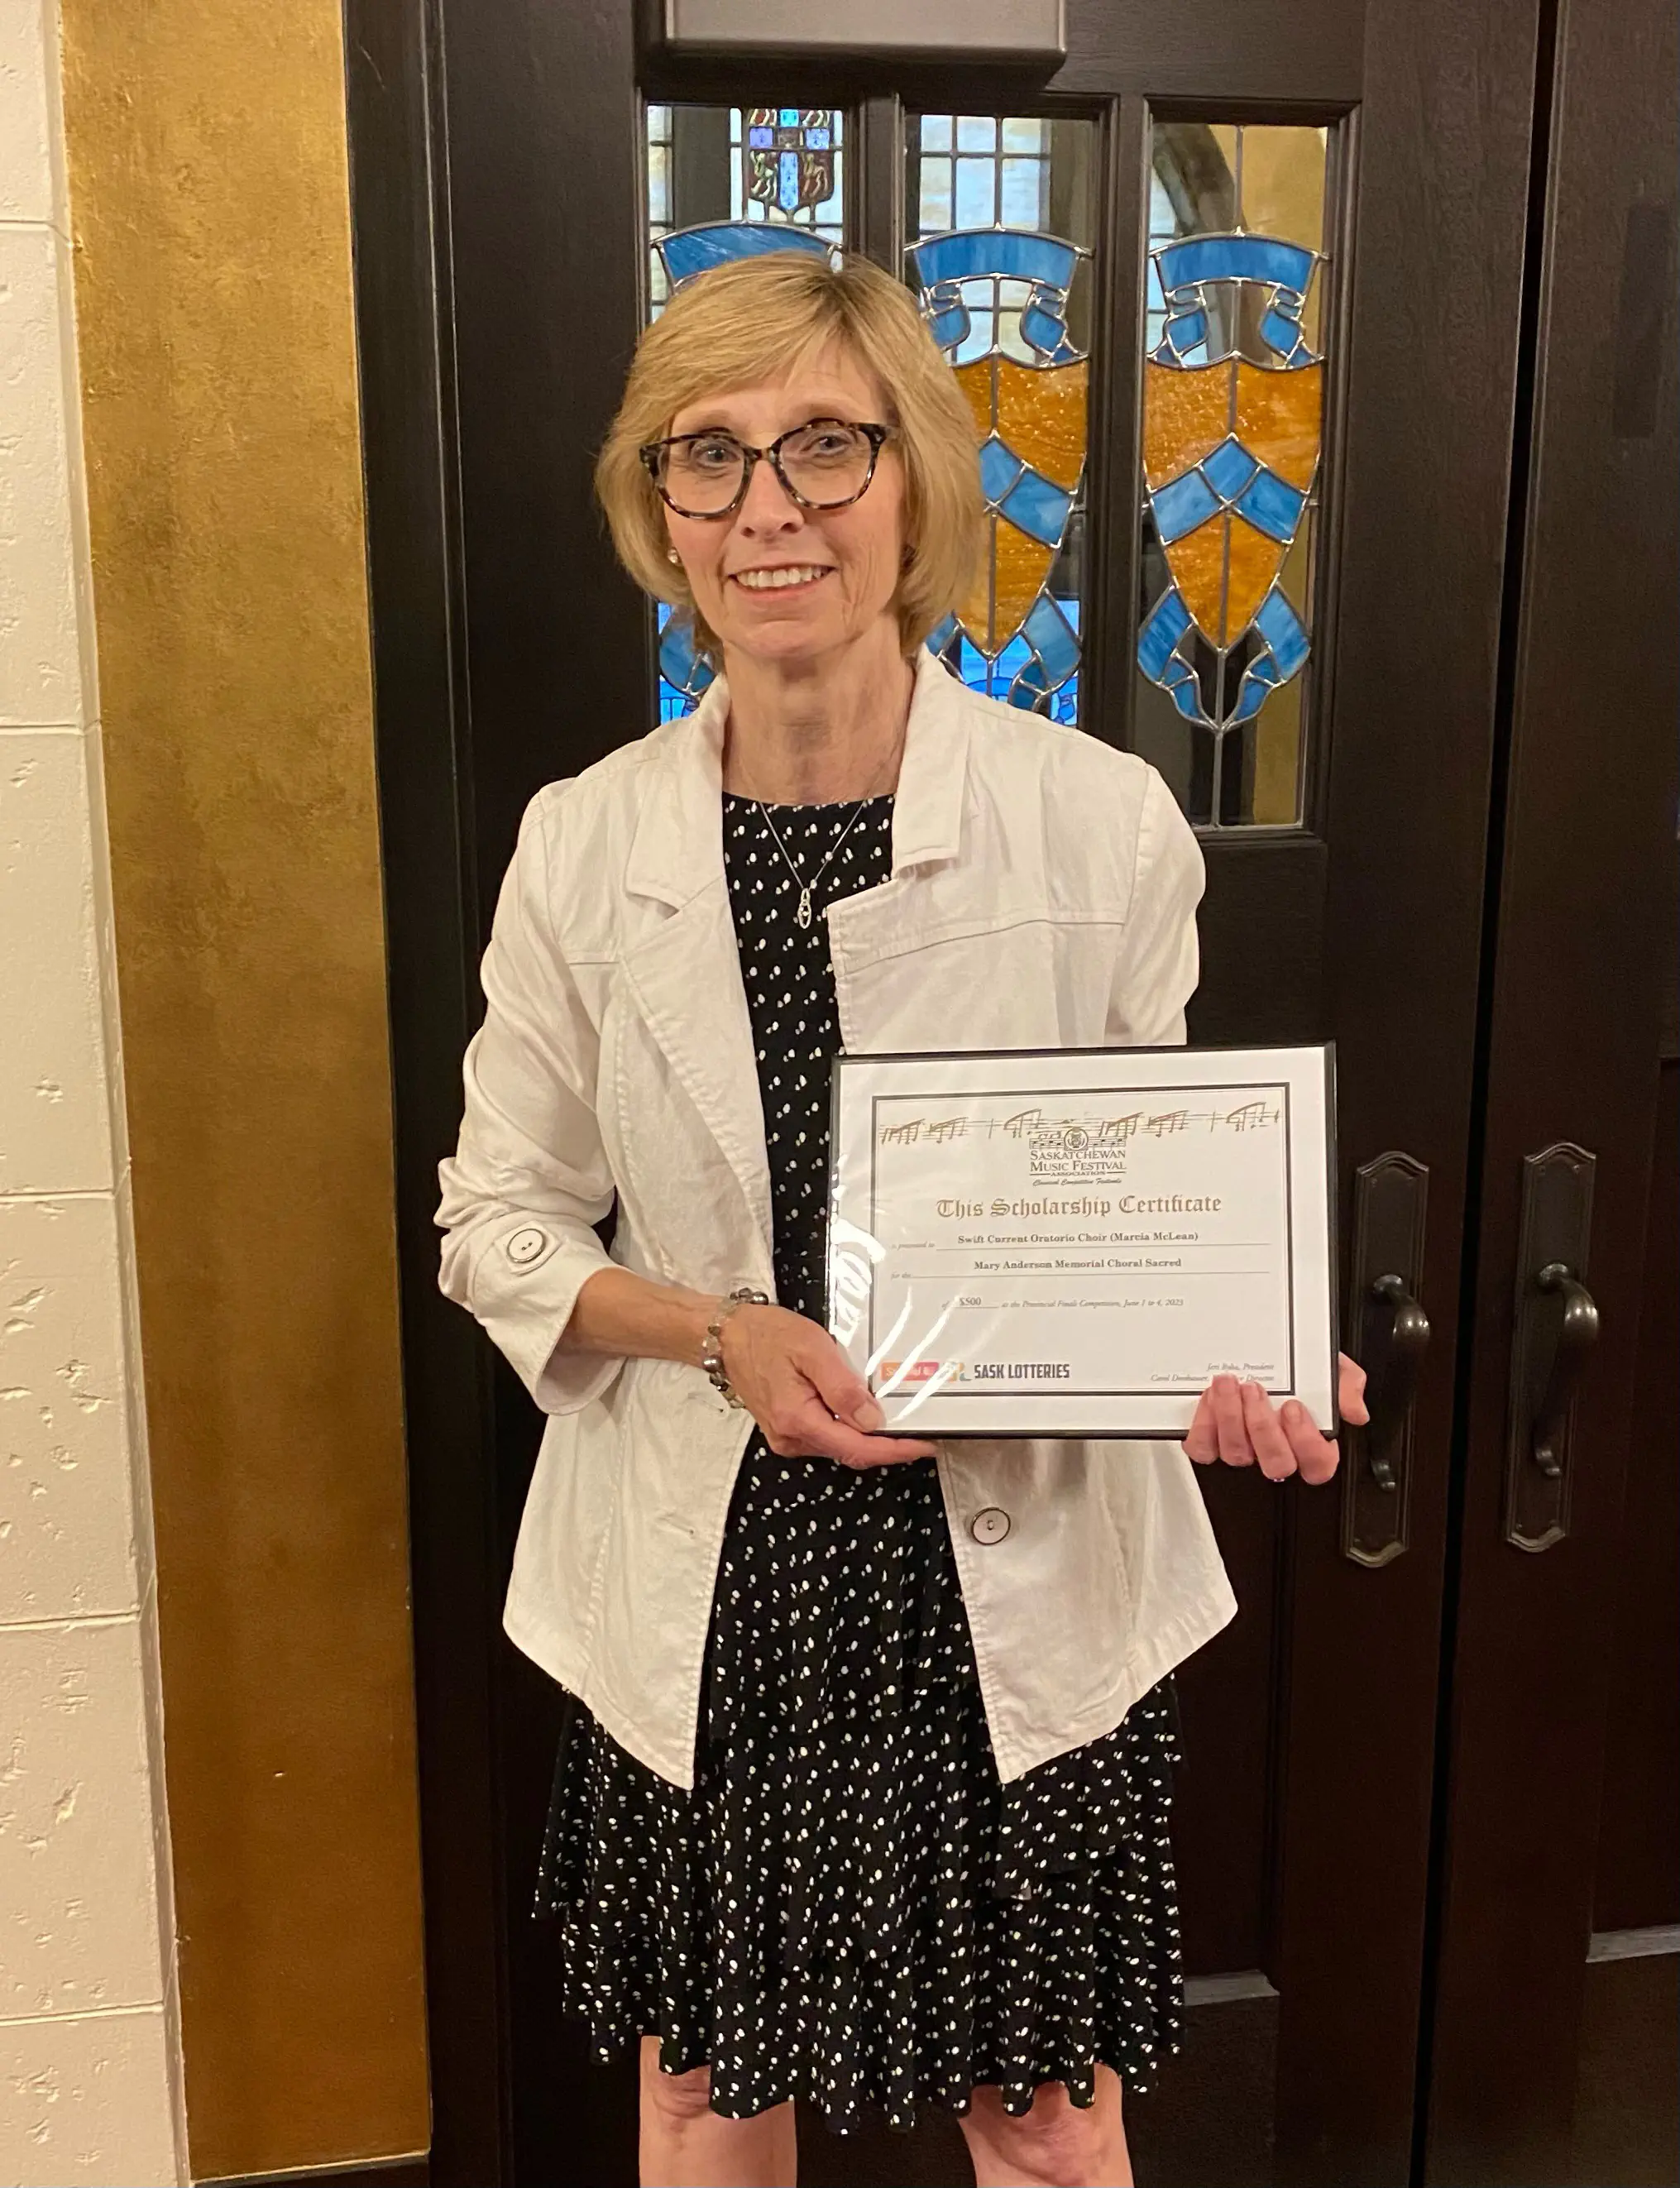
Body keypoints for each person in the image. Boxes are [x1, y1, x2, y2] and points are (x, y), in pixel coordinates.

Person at [437, 250, 1367, 2188]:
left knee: (1041, 2115)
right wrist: (715, 1332)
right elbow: (495, 1222)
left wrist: (1246, 1350)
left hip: (994, 1571)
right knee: (703, 2097)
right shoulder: (581, 836)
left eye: (827, 446)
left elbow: (1146, 1200)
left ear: (919, 485)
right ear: (659, 507)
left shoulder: (1097, 817)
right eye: (712, 455)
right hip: (711, 1573)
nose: (768, 507)